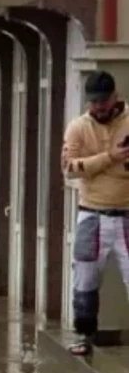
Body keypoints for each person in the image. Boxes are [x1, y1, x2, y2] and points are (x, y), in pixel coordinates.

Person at [62, 71, 129, 356]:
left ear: (115, 97)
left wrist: (91, 166)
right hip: (91, 214)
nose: (99, 107)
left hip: (126, 213)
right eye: (94, 102)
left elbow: (81, 166)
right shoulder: (78, 127)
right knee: (85, 280)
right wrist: (109, 159)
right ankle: (84, 335)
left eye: (104, 101)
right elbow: (68, 167)